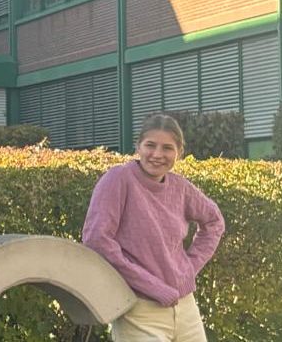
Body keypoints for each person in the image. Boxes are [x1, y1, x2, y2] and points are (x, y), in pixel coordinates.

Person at [82, 114, 225, 342]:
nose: (157, 154)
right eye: (150, 145)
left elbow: (214, 221)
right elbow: (97, 240)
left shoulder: (180, 187)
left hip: (185, 308)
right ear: (138, 146)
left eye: (167, 148)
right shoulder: (119, 179)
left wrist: (189, 268)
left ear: (179, 152)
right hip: (139, 310)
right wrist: (153, 286)